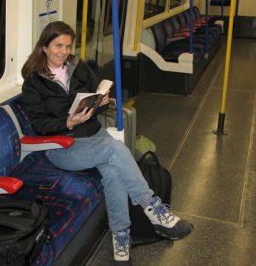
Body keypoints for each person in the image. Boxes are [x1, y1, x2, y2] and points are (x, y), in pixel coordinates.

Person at [21, 21, 194, 263]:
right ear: (44, 47)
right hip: (62, 145)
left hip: (92, 134)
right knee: (116, 149)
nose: (63, 51)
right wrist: (68, 122)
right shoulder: (33, 82)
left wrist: (102, 99)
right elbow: (40, 124)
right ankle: (153, 208)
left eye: (68, 46)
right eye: (58, 45)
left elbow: (97, 87)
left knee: (113, 171)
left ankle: (120, 237)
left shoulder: (76, 66)